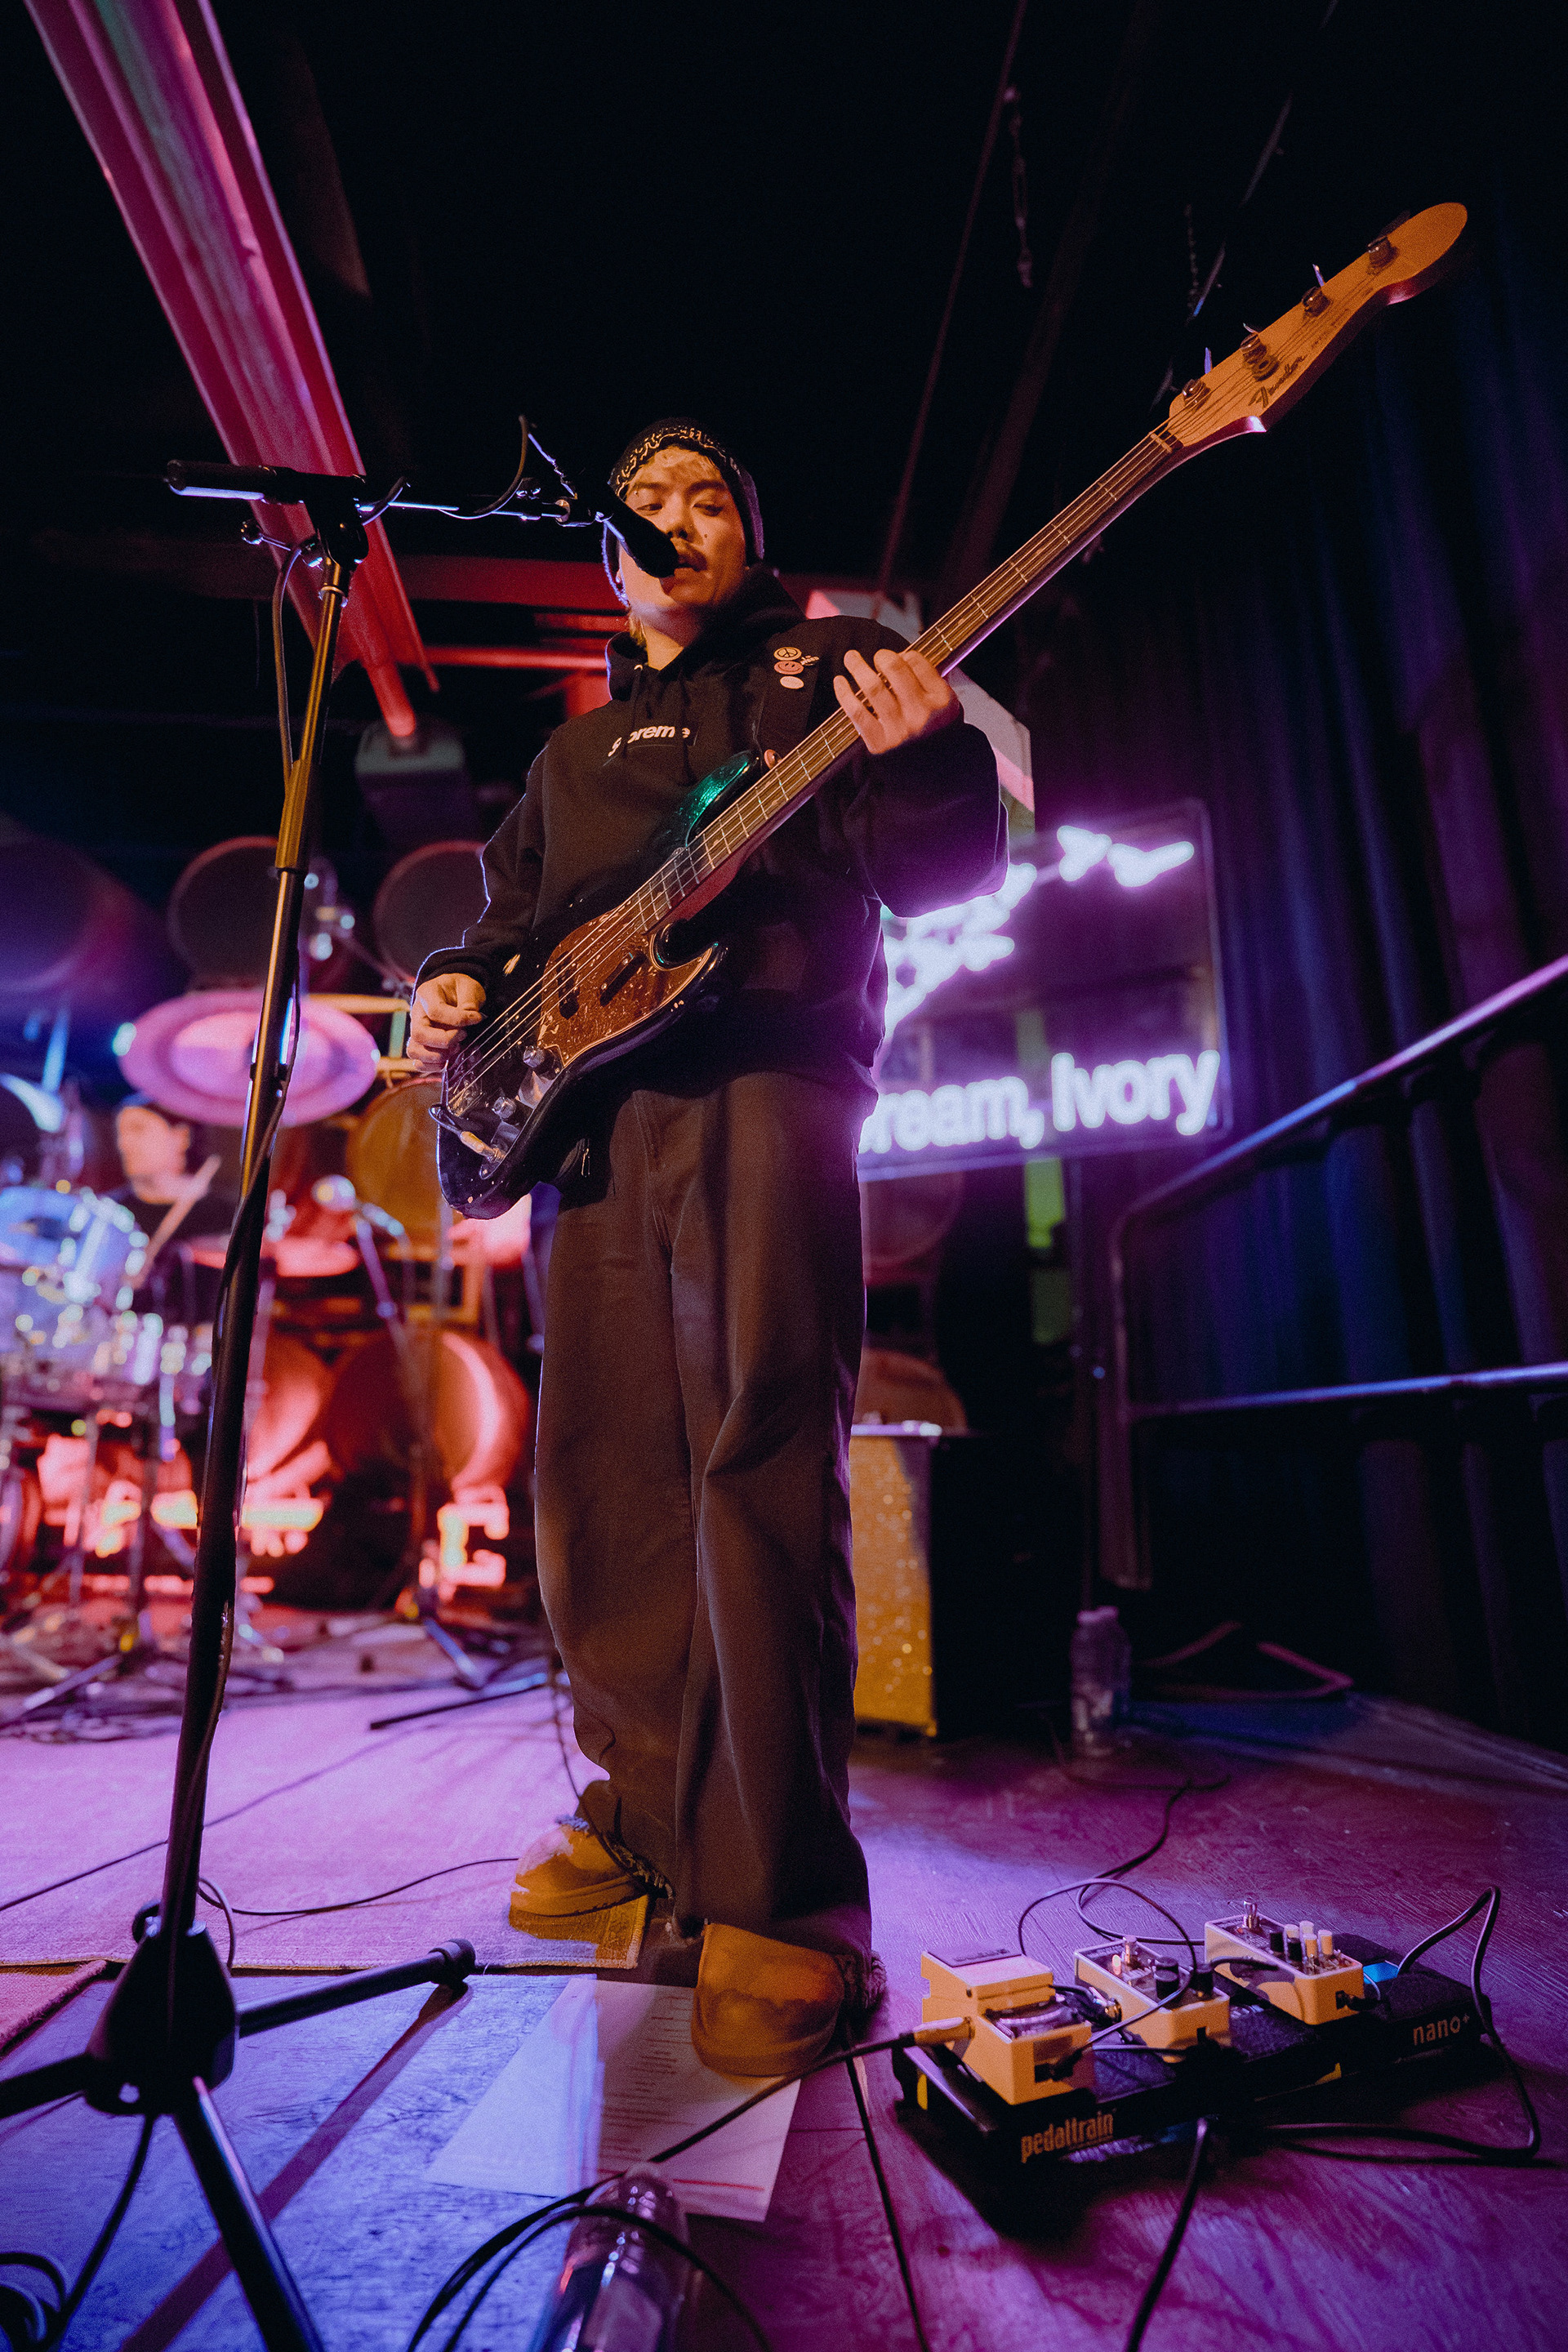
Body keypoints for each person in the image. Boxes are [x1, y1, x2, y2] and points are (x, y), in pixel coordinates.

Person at [410, 418, 1006, 2074]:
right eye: (649, 506)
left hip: (767, 1082)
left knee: (757, 1465)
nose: (679, 519)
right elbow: (507, 933)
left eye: (710, 497)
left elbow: (938, 873)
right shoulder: (571, 757)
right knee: (600, 1485)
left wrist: (930, 758)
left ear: (751, 532)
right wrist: (457, 988)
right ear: (611, 562)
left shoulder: (826, 673)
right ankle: (646, 1826)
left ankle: (782, 1903)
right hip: (593, 1128)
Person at [109, 1095, 233, 1327]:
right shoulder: (109, 1214)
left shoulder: (228, 1216)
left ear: (181, 1136)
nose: (123, 1144)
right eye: (121, 1133)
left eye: (137, 1130)